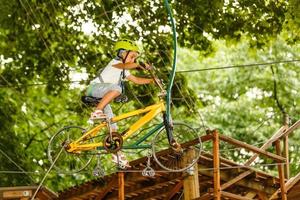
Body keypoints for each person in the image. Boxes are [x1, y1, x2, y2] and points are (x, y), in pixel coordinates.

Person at [85, 39, 153, 167]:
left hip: (102, 97)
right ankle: (97, 112)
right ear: (122, 53)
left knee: (113, 128)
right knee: (117, 89)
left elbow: (136, 80)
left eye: (135, 58)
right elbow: (128, 66)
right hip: (94, 89)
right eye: (132, 56)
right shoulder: (115, 63)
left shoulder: (123, 70)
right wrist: (140, 65)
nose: (133, 60)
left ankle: (117, 155)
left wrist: (151, 81)